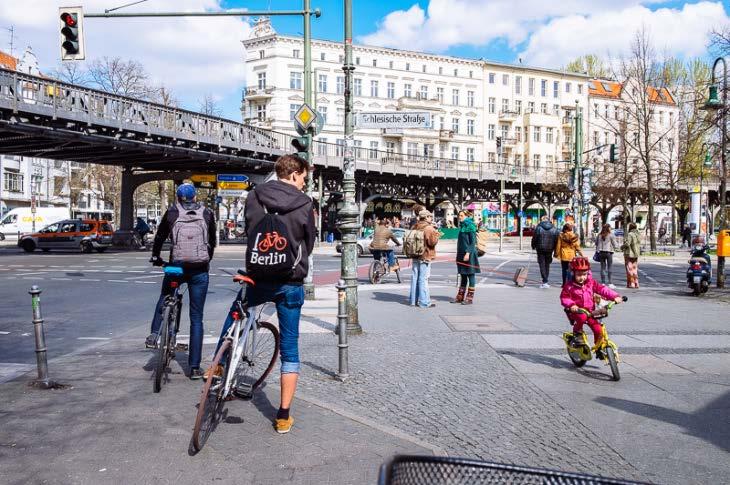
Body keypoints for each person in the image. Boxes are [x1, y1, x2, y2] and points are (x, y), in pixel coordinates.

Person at [207, 154, 315, 434]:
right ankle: (282, 416)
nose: (304, 182)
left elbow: (250, 228)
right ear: (293, 175)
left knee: (237, 312)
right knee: (290, 348)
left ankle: (218, 365)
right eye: (303, 176)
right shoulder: (304, 203)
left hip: (257, 274)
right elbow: (309, 242)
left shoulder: (254, 196)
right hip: (290, 280)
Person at [146, 183, 217, 380]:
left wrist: (155, 256)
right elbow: (212, 241)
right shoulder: (207, 213)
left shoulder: (171, 213)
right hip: (200, 269)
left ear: (178, 198)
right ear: (195, 197)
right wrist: (205, 259)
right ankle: (194, 368)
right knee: (196, 317)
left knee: (165, 295)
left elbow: (159, 237)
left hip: (176, 266)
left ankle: (153, 333)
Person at [560, 257, 622, 354]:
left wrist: (615, 296)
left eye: (584, 274)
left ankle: (599, 347)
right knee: (582, 317)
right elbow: (564, 297)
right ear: (573, 273)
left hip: (590, 312)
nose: (582, 277)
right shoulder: (569, 286)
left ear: (588, 273)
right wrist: (571, 305)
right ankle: (577, 333)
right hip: (577, 311)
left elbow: (603, 290)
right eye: (579, 275)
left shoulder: (591, 283)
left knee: (598, 329)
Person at [409, 210, 440, 308]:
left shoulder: (415, 226)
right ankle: (424, 302)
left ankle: (413, 301)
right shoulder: (429, 228)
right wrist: (437, 234)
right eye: (430, 217)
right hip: (425, 256)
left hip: (415, 255)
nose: (431, 218)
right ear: (426, 217)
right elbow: (432, 243)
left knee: (414, 278)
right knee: (423, 279)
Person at [452, 210, 480, 305]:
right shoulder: (462, 226)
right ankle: (460, 297)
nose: (459, 217)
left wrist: (467, 253)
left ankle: (469, 298)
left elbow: (472, 242)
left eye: (461, 215)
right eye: (458, 215)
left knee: (471, 275)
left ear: (466, 216)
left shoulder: (471, 226)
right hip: (460, 254)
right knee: (463, 275)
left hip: (469, 254)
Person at [531, 215, 559, 288]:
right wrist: (555, 248)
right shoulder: (554, 228)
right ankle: (546, 280)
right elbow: (557, 240)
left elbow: (534, 238)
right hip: (550, 249)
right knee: (547, 264)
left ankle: (545, 280)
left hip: (540, 249)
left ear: (542, 220)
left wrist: (533, 246)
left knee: (542, 264)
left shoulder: (538, 228)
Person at [594, 224, 620, 288]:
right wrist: (618, 248)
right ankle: (610, 283)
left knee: (602, 268)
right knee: (609, 267)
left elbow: (596, 243)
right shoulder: (611, 235)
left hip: (601, 252)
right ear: (608, 228)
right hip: (609, 252)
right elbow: (615, 244)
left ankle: (603, 282)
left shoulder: (599, 235)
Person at [621, 222, 641, 288]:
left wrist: (622, 246)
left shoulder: (630, 234)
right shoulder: (638, 234)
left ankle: (631, 283)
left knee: (629, 269)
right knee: (635, 269)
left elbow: (627, 244)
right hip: (636, 254)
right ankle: (636, 283)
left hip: (629, 253)